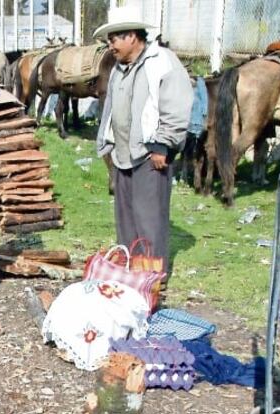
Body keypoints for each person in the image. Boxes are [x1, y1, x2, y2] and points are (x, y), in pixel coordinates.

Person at [94, 5, 192, 276]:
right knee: (126, 222)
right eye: (109, 40)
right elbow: (113, 109)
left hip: (150, 156)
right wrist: (108, 143)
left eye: (114, 38)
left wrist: (164, 145)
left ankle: (150, 283)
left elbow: (178, 105)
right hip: (123, 155)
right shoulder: (118, 69)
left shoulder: (162, 61)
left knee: (149, 222)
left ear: (132, 37)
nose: (110, 45)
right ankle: (130, 277)